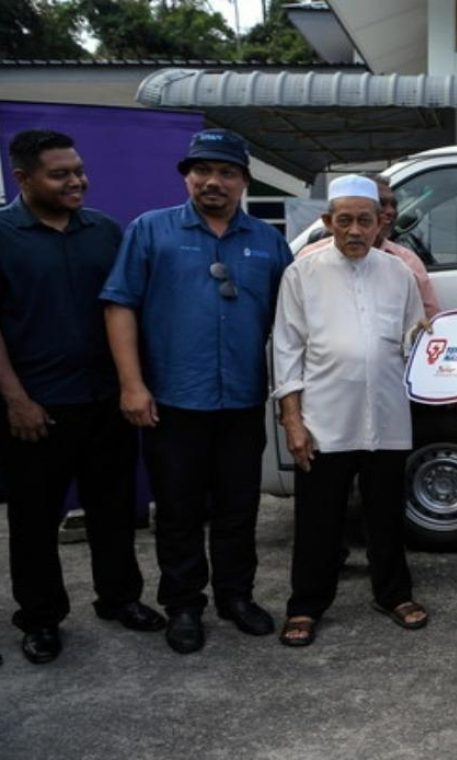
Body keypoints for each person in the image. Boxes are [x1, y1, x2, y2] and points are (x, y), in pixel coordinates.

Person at [101, 128, 293, 655]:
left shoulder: (267, 241)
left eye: (227, 172)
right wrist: (132, 385)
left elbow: (296, 319)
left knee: (238, 506)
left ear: (244, 181)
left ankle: (236, 596)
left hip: (242, 400)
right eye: (202, 171)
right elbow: (120, 306)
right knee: (180, 510)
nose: (214, 181)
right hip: (172, 401)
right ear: (187, 176)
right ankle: (184, 604)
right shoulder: (150, 231)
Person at [0, 129, 165, 665]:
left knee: (115, 511)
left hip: (104, 401)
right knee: (33, 522)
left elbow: (126, 311)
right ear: (23, 179)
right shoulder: (3, 234)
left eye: (79, 170)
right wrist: (16, 400)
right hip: (36, 409)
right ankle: (41, 618)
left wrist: (132, 384)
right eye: (60, 174)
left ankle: (119, 598)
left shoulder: (105, 231)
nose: (77, 181)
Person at [273, 175, 428, 645]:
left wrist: (436, 347)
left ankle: (393, 593)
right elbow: (286, 350)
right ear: (328, 222)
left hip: (386, 415)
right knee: (318, 518)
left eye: (365, 220)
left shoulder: (398, 272)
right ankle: (306, 606)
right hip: (324, 419)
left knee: (386, 514)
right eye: (345, 221)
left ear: (382, 221)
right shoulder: (302, 272)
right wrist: (293, 421)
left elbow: (413, 342)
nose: (355, 230)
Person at [297, 175, 440, 319]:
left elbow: (428, 321)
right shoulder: (308, 261)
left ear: (377, 221)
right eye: (382, 204)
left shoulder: (406, 263)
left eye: (394, 204)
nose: (390, 211)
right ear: (329, 222)